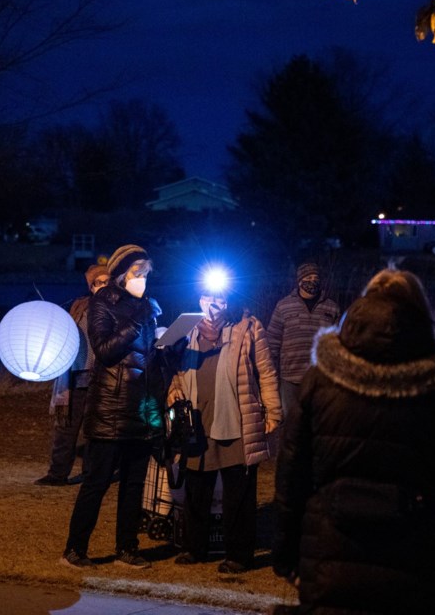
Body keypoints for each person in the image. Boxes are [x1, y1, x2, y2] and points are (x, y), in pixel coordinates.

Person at [272, 269, 435, 615]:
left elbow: (292, 474)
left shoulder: (320, 379)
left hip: (329, 554)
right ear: (420, 313)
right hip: (417, 561)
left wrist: (286, 556)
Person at [60, 244, 165, 570]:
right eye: (137, 274)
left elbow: (147, 357)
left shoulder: (147, 305)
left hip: (140, 407)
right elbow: (104, 350)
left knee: (134, 484)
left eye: (146, 274)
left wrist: (166, 341)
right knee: (97, 482)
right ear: (121, 273)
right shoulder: (101, 302)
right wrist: (136, 324)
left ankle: (127, 547)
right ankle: (74, 550)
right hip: (109, 407)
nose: (142, 280)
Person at [166, 284, 282, 574]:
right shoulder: (188, 330)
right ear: (199, 299)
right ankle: (194, 548)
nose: (213, 303)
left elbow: (266, 371)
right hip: (197, 420)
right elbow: (179, 371)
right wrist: (173, 391)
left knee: (238, 492)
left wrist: (274, 411)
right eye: (207, 297)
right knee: (196, 487)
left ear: (230, 300)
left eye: (220, 298)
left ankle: (239, 555)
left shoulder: (248, 326)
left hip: (236, 419)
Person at [35, 263, 111, 486]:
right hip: (77, 374)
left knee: (95, 431)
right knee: (66, 428)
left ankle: (92, 475)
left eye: (108, 281)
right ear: (91, 286)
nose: (104, 286)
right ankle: (57, 473)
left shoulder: (118, 307)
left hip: (103, 378)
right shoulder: (80, 307)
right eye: (99, 282)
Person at [266, 261, 340, 422]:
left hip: (320, 377)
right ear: (300, 281)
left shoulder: (331, 308)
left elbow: (338, 344)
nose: (313, 281)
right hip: (290, 376)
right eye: (308, 277)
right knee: (292, 423)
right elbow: (272, 340)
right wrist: (271, 373)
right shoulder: (284, 306)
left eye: (316, 277)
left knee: (318, 422)